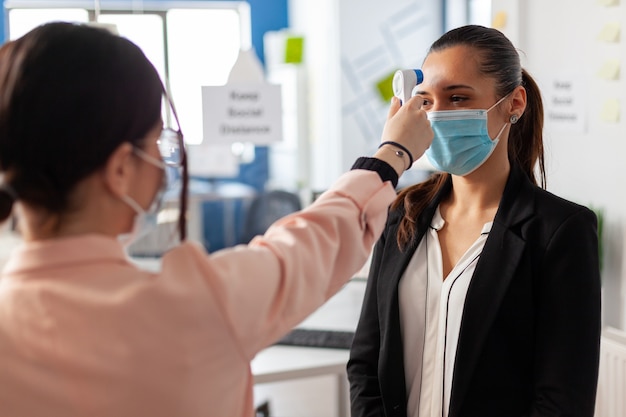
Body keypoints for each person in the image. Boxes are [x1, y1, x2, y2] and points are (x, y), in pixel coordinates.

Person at [0, 22, 433, 417]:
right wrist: (392, 156)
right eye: (158, 142)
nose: (162, 163)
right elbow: (311, 244)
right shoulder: (196, 309)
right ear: (118, 171)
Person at [347, 24, 601, 417]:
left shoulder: (560, 231)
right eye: (427, 101)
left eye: (458, 97)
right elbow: (365, 365)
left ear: (514, 104)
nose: (438, 115)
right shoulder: (401, 215)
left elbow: (562, 399)